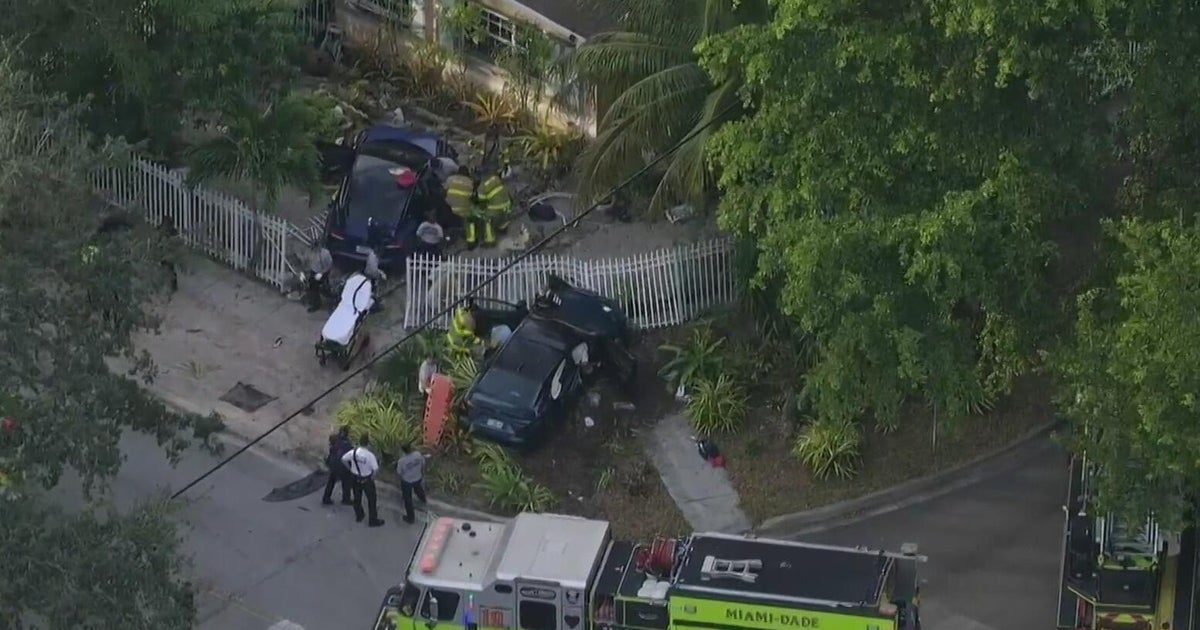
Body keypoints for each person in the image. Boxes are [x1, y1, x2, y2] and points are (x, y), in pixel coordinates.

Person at [341, 435, 385, 527]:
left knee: (357, 498)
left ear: (359, 442)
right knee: (371, 500)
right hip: (366, 479)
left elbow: (343, 459)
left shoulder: (353, 452)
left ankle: (359, 515)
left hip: (355, 477)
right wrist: (372, 477)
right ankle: (372, 520)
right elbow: (375, 470)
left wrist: (350, 468)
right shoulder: (370, 456)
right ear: (368, 443)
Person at [395, 443, 429, 524]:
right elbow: (423, 464)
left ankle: (410, 518)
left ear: (403, 451)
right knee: (418, 489)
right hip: (417, 477)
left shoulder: (402, 461)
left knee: (407, 499)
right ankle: (423, 499)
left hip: (407, 481)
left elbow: (399, 472)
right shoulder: (417, 454)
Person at [321, 428, 354, 506]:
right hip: (342, 465)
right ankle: (346, 499)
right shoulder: (347, 443)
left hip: (333, 463)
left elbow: (331, 449)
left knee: (331, 481)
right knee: (346, 481)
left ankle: (326, 498)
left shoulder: (334, 439)